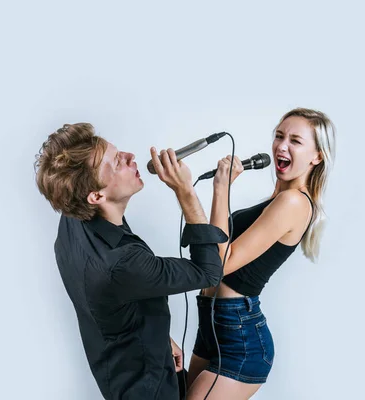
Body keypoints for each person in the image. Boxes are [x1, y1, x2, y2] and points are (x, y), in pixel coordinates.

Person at [34, 123, 228, 400]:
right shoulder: (123, 264)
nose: (130, 156)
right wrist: (185, 191)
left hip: (119, 375)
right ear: (96, 196)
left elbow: (114, 301)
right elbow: (209, 272)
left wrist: (159, 338)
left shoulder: (73, 217)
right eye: (116, 162)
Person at [186, 108, 337, 399]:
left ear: (317, 156)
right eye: (279, 136)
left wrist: (221, 188)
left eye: (296, 140)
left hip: (239, 337)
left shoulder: (294, 202)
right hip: (212, 323)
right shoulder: (277, 200)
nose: (282, 145)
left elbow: (221, 263)